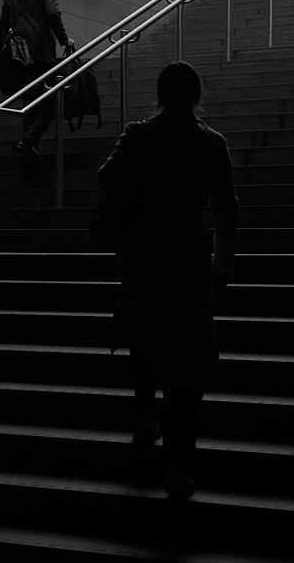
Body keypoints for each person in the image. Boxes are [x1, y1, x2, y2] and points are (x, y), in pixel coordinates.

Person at [96, 61, 239, 499]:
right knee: (188, 358)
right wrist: (223, 267)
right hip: (190, 256)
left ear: (160, 92)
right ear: (196, 94)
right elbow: (226, 209)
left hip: (142, 253)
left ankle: (143, 417)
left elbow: (106, 177)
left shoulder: (139, 135)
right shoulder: (211, 143)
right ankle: (179, 463)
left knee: (145, 333)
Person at [0, 0, 75, 164]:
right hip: (40, 54)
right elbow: (52, 12)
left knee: (29, 102)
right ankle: (29, 140)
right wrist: (64, 40)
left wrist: (2, 54)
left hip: (17, 55)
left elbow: (4, 23)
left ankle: (28, 153)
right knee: (53, 97)